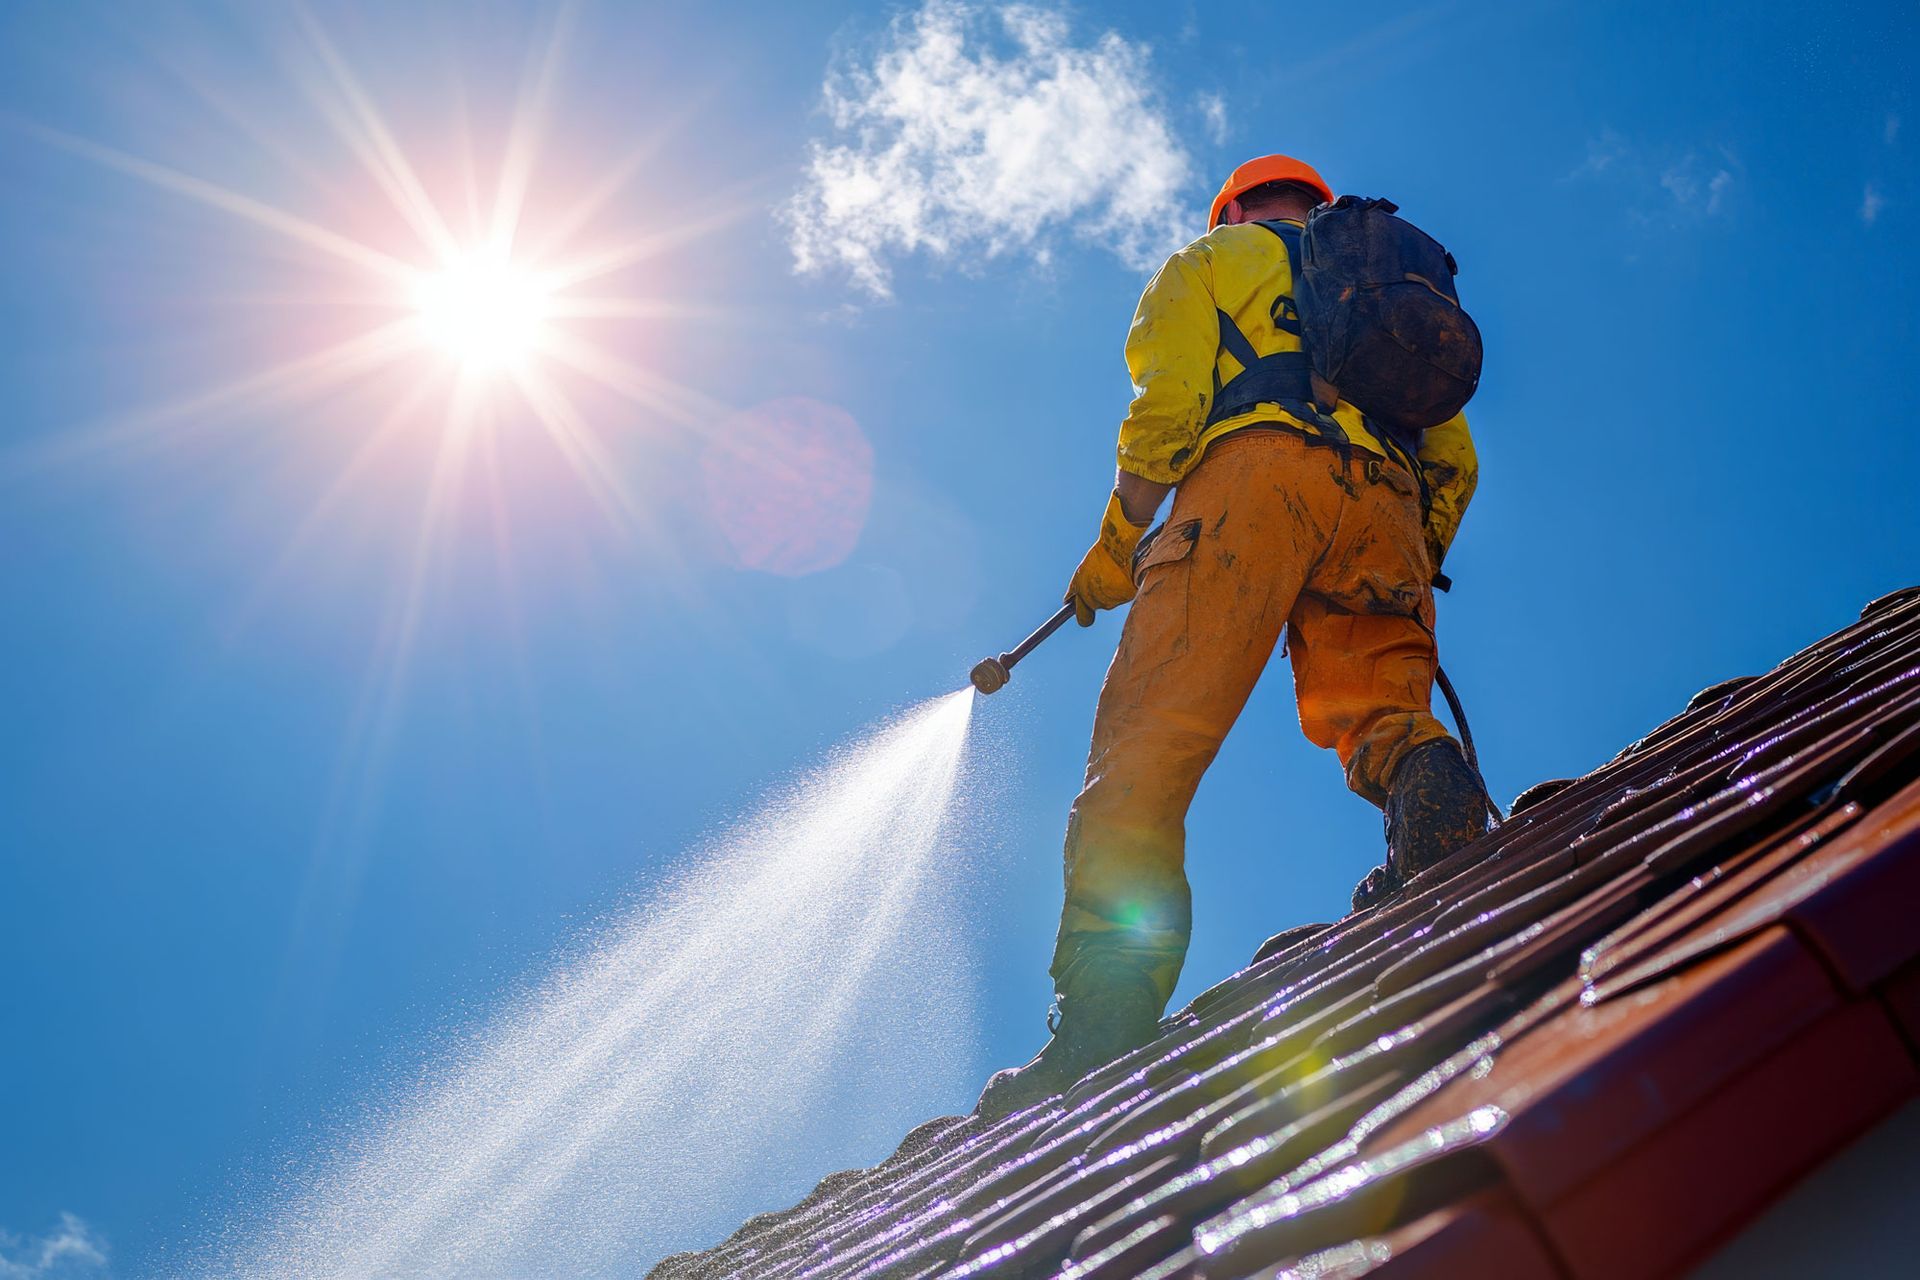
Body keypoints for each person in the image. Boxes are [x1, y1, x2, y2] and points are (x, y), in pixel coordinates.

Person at [976, 155, 1488, 1120]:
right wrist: (1404, 557)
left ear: (1234, 209)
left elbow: (1167, 411)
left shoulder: (1211, 261)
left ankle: (1102, 1022)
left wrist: (1118, 547)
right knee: (1383, 715)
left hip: (1252, 479)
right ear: (1322, 210)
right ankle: (1439, 828)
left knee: (1146, 754)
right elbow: (1453, 456)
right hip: (1385, 500)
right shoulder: (1383, 282)